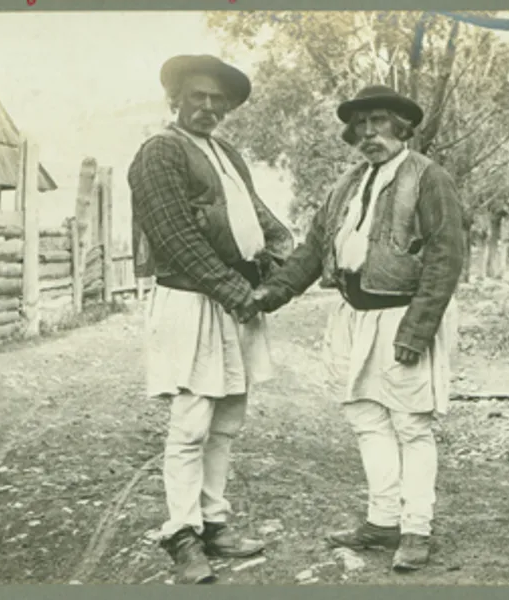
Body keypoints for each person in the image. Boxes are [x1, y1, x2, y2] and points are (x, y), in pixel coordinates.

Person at [252, 85, 465, 572]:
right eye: (361, 125)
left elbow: (445, 258)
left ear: (402, 127)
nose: (370, 133)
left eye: (380, 122)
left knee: (411, 425)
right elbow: (311, 251)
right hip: (352, 315)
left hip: (402, 315)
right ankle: (382, 519)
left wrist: (416, 331)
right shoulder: (347, 183)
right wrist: (272, 294)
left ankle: (416, 529)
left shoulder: (429, 178)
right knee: (367, 421)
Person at [127, 54, 294, 584]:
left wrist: (283, 255)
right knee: (191, 422)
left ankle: (214, 521)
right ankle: (181, 534)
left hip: (235, 298)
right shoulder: (160, 152)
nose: (207, 106)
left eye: (217, 99)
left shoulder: (226, 153)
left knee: (227, 421)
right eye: (197, 96)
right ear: (175, 98)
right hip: (193, 300)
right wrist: (231, 290)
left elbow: (259, 217)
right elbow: (175, 236)